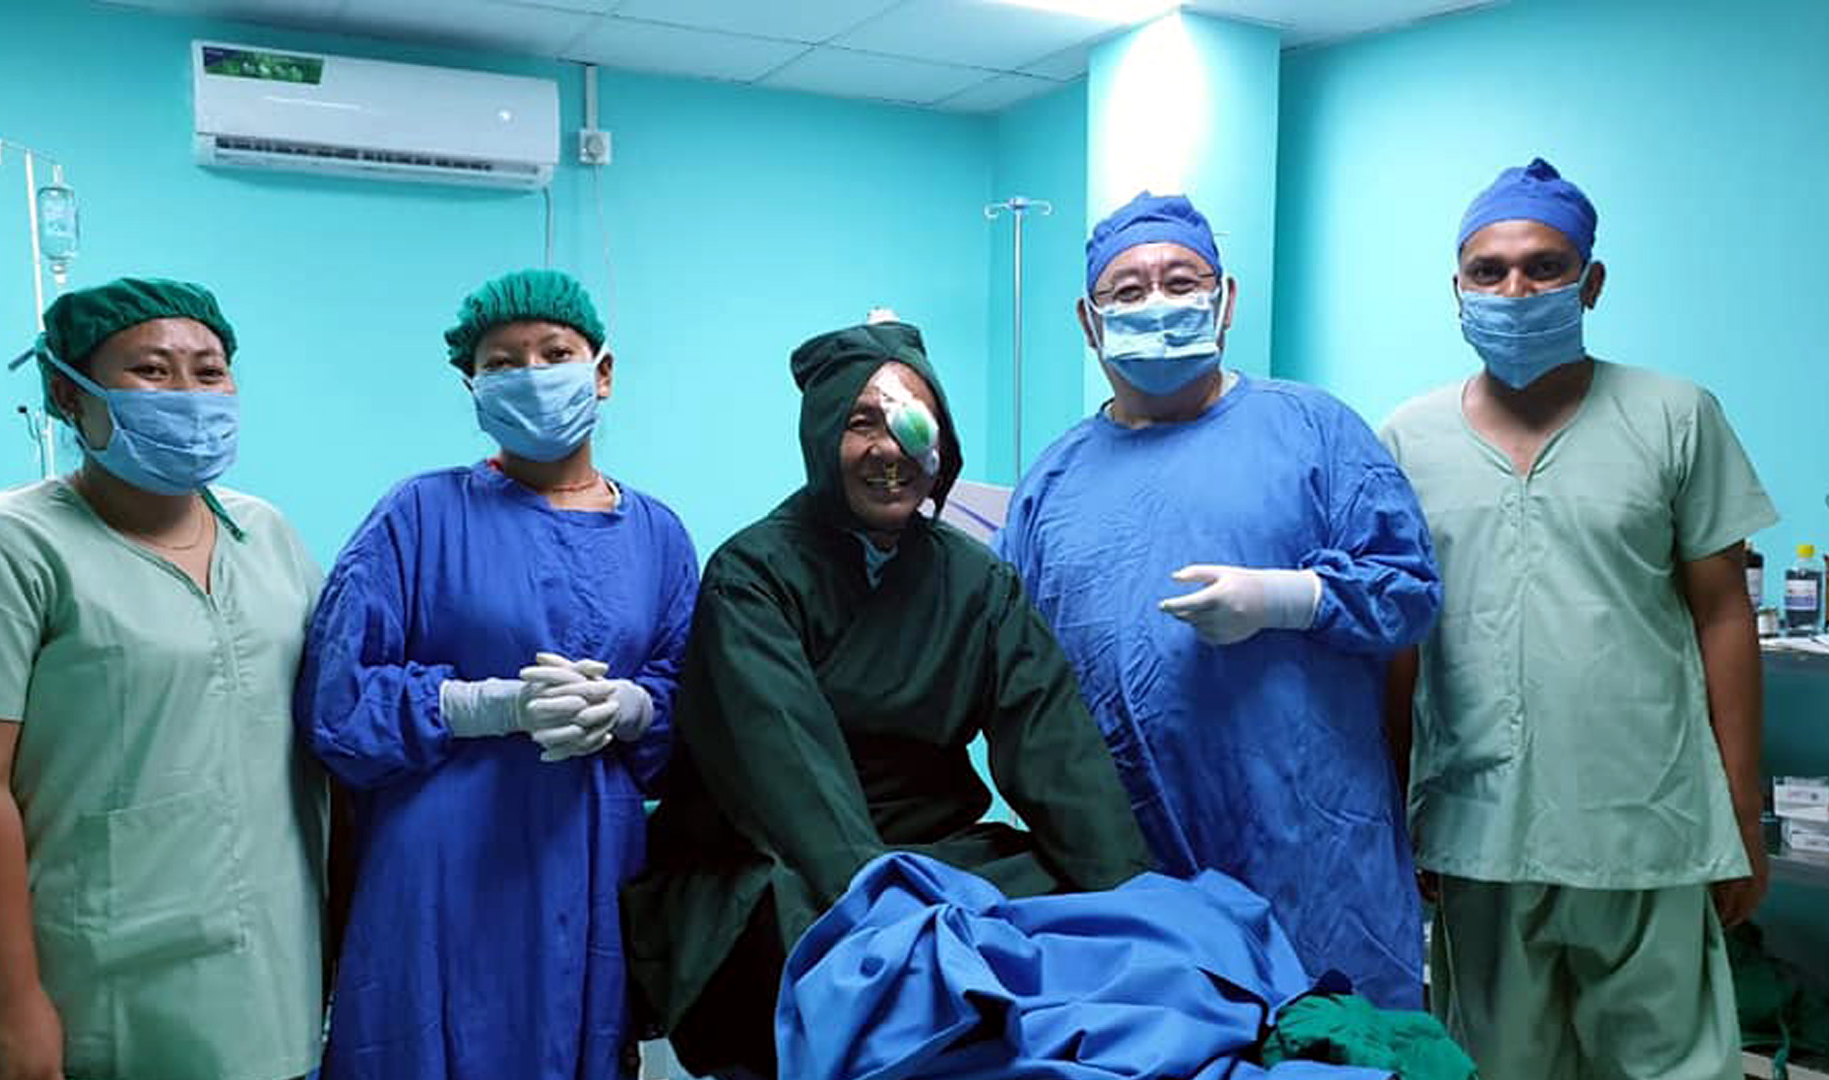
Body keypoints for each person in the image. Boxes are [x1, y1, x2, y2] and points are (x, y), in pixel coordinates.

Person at [623, 316, 1154, 1080]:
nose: (886, 449)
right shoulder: (753, 576)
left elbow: (1056, 748)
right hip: (780, 858)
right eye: (859, 423)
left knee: (1066, 913)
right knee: (840, 953)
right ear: (820, 438)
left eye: (908, 422)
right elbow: (789, 768)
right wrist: (890, 913)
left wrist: (1133, 903)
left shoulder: (979, 583)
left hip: (934, 850)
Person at [1379, 157, 1776, 1079]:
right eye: (1489, 271)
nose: (1515, 290)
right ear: (1457, 288)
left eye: (1545, 267)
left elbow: (1724, 615)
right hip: (1478, 826)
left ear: (1591, 282)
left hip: (1648, 819)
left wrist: (1742, 817)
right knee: (1499, 1062)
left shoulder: (1673, 416)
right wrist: (1396, 807)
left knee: (1670, 1064)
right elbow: (1400, 642)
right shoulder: (1408, 439)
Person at [994, 192, 1442, 1008]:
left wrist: (1288, 597)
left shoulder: (1313, 431)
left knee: (1335, 1042)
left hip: (1311, 865)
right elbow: (1006, 668)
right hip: (1131, 873)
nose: (1156, 304)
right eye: (1127, 291)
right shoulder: (1050, 486)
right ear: (1089, 322)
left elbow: (1409, 591)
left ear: (1226, 299)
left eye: (1181, 282)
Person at [0, 277, 327, 1080]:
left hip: (267, 987)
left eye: (210, 371)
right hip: (88, 988)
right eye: (152, 370)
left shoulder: (266, 535)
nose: (189, 393)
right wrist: (12, 1005)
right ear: (69, 394)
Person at [296, 268, 698, 1080]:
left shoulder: (658, 535)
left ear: (603, 373)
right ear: (472, 387)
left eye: (555, 354)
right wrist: (484, 706)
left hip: (591, 862)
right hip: (441, 869)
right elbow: (337, 703)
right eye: (503, 363)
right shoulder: (418, 515)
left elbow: (693, 704)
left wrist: (633, 708)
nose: (532, 375)